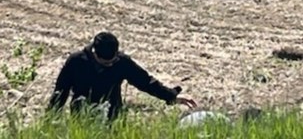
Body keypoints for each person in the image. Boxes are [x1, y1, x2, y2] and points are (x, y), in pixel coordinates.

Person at [47, 31, 197, 121]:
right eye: (106, 63)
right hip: (81, 115)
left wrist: (171, 96)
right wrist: (51, 119)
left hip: (113, 115)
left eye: (113, 61)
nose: (110, 65)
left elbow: (145, 82)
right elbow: (60, 92)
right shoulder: (76, 61)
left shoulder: (122, 62)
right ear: (94, 53)